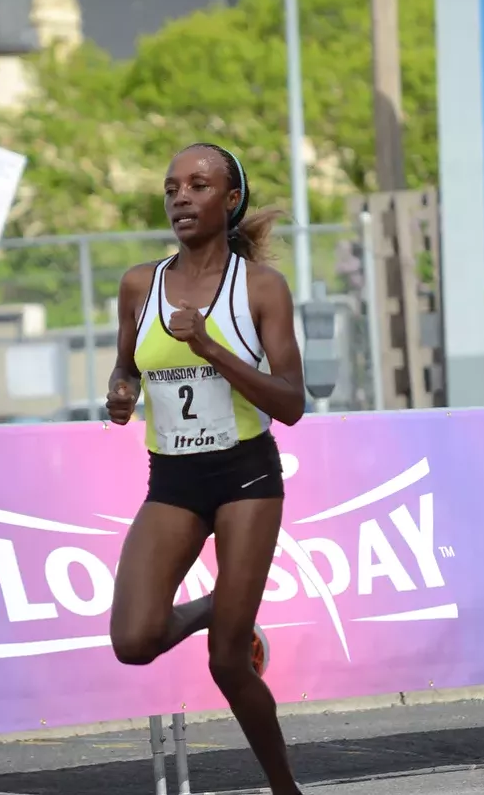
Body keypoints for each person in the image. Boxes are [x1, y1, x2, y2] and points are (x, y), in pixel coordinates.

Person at [106, 143, 305, 795]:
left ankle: (284, 787)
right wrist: (120, 393)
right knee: (134, 638)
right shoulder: (141, 285)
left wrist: (210, 346)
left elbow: (291, 402)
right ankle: (221, 605)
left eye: (197, 185)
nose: (181, 197)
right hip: (174, 479)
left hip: (245, 473)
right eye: (171, 188)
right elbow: (127, 368)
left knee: (227, 660)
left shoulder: (259, 288)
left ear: (230, 199)